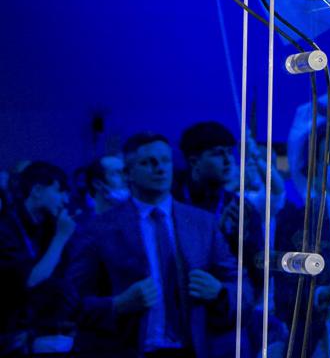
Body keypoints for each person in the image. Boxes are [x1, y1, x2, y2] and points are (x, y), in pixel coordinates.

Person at [68, 132, 243, 358]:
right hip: (128, 349)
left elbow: (240, 284)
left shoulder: (202, 223)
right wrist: (117, 304)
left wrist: (220, 292)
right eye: (148, 162)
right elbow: (73, 302)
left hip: (192, 350)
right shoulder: (99, 229)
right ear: (128, 173)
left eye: (165, 161)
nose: (160, 168)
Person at [0, 161, 76, 354]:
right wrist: (61, 238)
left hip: (46, 327)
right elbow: (30, 279)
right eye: (59, 191)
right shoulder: (6, 228)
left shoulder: (51, 225)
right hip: (11, 332)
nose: (65, 199)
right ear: (37, 190)